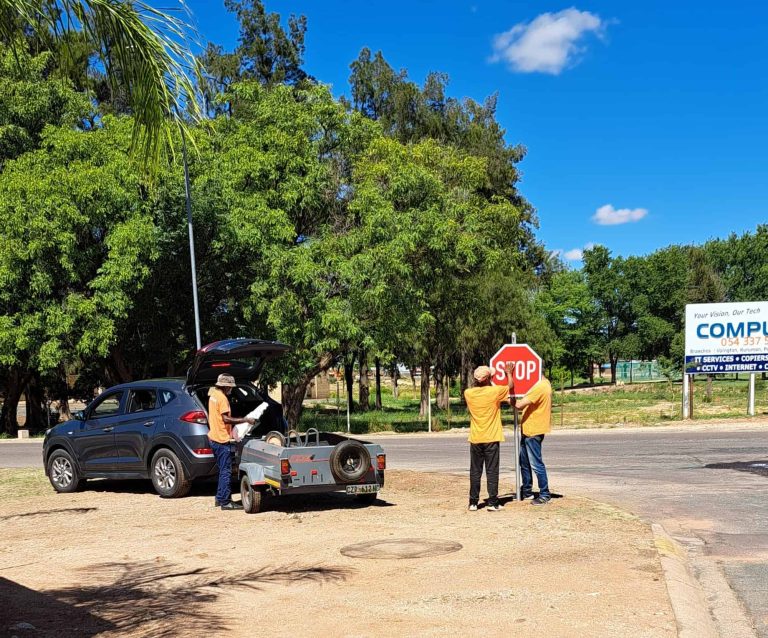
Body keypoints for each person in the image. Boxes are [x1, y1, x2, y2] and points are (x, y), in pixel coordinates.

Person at [464, 363, 514, 512]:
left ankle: (473, 502)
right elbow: (510, 385)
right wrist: (508, 373)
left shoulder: (468, 393)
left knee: (475, 471)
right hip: (491, 437)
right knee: (492, 470)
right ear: (488, 378)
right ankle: (492, 502)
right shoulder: (494, 392)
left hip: (475, 437)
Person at [208, 373, 255, 510]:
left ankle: (219, 498)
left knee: (222, 470)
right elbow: (226, 419)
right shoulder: (222, 398)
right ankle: (225, 502)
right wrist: (245, 420)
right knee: (226, 471)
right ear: (225, 386)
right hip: (221, 439)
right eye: (230, 387)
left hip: (213, 437)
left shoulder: (213, 394)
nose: (231, 390)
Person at [513, 376, 553, 505]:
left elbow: (519, 405)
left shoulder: (540, 386)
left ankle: (545, 494)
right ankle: (527, 491)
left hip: (533, 431)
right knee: (524, 462)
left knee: (536, 464)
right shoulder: (545, 383)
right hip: (528, 430)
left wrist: (506, 396)